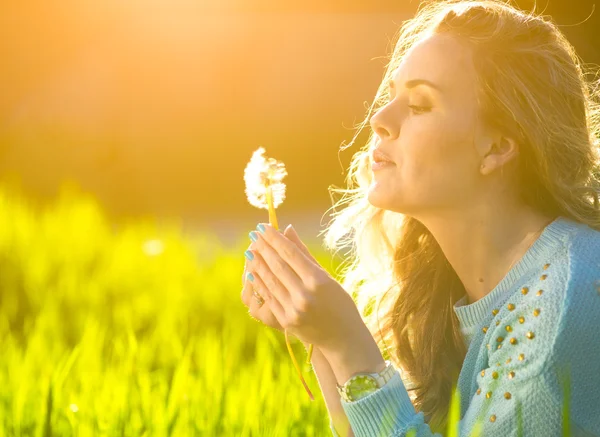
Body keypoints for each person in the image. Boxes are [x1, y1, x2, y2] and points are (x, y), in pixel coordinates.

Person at [240, 0, 600, 436]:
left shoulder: (558, 310)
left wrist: (350, 346)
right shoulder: (452, 290)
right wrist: (319, 334)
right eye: (392, 96)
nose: (380, 119)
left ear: (497, 147)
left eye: (420, 104)